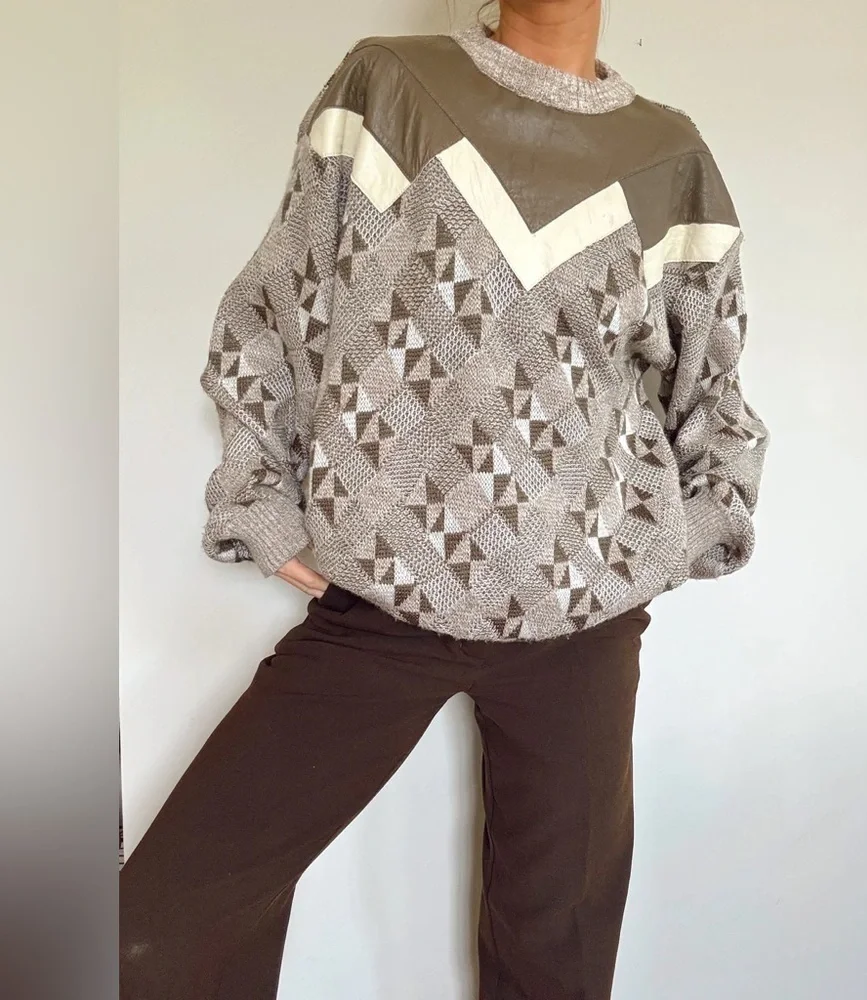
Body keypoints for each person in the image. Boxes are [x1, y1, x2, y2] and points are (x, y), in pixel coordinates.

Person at [119, 2, 769, 997]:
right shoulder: (390, 88)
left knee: (556, 963)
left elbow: (710, 388)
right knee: (162, 923)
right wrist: (259, 498)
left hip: (584, 626)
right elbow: (274, 303)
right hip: (384, 603)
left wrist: (667, 542)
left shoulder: (668, 156)